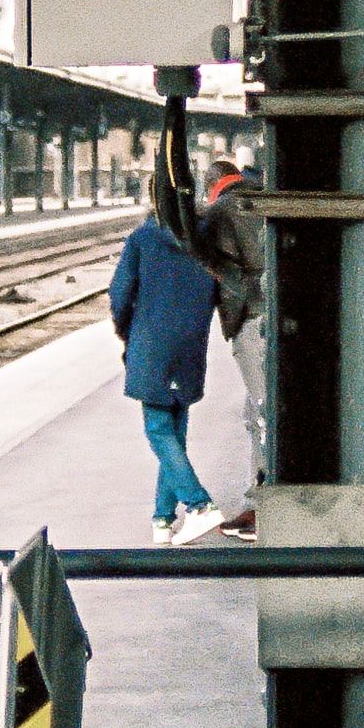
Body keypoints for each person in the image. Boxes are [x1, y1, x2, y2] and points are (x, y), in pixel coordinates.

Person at [108, 205, 224, 545]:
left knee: (158, 431)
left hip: (152, 345)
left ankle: (199, 505)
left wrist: (127, 329)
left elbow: (119, 294)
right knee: (174, 432)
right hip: (190, 346)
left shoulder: (142, 239)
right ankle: (162, 519)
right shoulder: (204, 242)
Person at [193, 159, 268, 533]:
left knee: (263, 412)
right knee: (255, 412)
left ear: (212, 185)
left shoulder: (221, 211)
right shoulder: (262, 196)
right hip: (275, 312)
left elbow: (223, 270)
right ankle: (260, 497)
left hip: (254, 321)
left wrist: (231, 317)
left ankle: (263, 508)